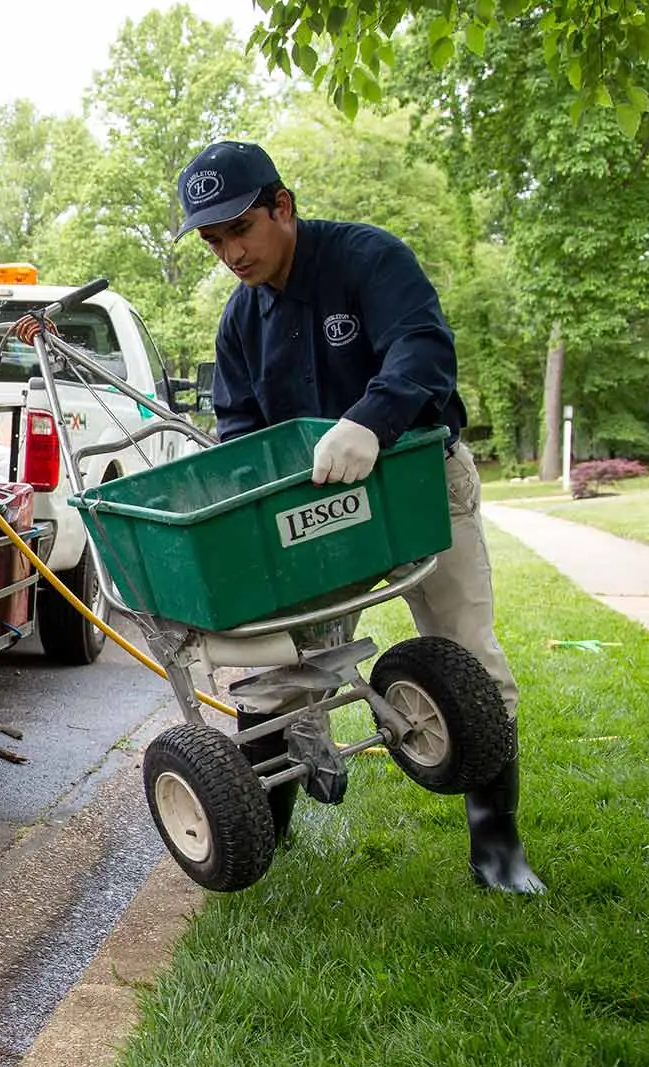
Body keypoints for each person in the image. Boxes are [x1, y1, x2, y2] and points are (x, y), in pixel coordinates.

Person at [172, 140, 544, 895]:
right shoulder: (241, 321)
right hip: (314, 511)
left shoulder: (369, 259)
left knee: (468, 656)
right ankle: (262, 833)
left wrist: (372, 420)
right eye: (213, 241)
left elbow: (424, 349)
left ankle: (497, 846)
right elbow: (240, 424)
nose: (230, 253)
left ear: (283, 207)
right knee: (278, 668)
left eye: (240, 229)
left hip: (416, 481)